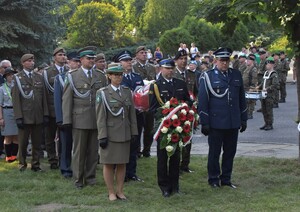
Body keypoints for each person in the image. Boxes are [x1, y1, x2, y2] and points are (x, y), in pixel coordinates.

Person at [198, 47, 247, 189]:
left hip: (232, 121)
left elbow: (241, 98)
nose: (224, 63)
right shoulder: (208, 76)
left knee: (230, 152)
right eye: (221, 61)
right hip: (216, 122)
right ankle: (213, 179)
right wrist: (205, 122)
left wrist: (243, 118)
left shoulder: (236, 75)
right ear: (215, 61)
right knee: (214, 152)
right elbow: (203, 101)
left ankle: (226, 179)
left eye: (227, 60)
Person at [62, 46, 107, 189]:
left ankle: (91, 177)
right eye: (89, 58)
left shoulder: (100, 76)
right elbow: (67, 99)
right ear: (81, 60)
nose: (92, 61)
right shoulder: (73, 76)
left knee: (93, 151)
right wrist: (67, 120)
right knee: (79, 152)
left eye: (93, 58)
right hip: (79, 119)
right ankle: (78, 179)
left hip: (96, 119)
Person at [149, 58, 191, 197]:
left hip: (178, 126)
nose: (170, 70)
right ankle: (164, 186)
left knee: (175, 156)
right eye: (167, 68)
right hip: (163, 126)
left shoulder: (180, 83)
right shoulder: (155, 85)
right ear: (160, 69)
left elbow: (187, 102)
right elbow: (152, 108)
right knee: (162, 158)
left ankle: (175, 185)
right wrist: (164, 117)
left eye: (172, 68)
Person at [96, 63, 138, 201]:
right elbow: (100, 116)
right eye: (115, 75)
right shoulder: (102, 92)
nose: (118, 77)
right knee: (108, 164)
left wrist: (134, 132)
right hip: (110, 134)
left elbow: (132, 114)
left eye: (120, 75)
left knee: (122, 163)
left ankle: (120, 191)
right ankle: (111, 192)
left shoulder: (127, 91)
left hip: (124, 133)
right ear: (109, 76)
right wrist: (102, 135)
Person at [12, 54, 49, 172]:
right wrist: (18, 116)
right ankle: (22, 164)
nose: (32, 63)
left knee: (36, 143)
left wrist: (45, 113)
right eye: (28, 61)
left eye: (32, 60)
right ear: (23, 63)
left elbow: (44, 97)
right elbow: (16, 99)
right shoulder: (17, 78)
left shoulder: (39, 77)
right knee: (22, 143)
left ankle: (36, 164)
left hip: (38, 115)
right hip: (25, 115)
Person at [113, 50, 144, 182]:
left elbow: (143, 94)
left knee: (134, 144)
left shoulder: (137, 77)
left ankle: (131, 172)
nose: (129, 62)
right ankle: (120, 172)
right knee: (121, 145)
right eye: (125, 61)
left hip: (137, 115)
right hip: (122, 116)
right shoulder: (117, 77)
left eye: (130, 60)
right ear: (119, 63)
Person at [43, 47, 69, 170]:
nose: (63, 57)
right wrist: (46, 113)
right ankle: (52, 160)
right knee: (50, 137)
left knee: (64, 138)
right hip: (52, 110)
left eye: (64, 54)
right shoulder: (47, 72)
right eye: (60, 55)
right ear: (54, 57)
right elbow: (44, 93)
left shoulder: (69, 71)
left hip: (66, 110)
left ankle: (63, 159)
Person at [54, 53, 79, 178]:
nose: (77, 63)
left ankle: (80, 168)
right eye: (74, 61)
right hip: (66, 117)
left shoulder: (83, 77)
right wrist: (60, 119)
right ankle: (66, 169)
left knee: (80, 145)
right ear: (68, 62)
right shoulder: (60, 78)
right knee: (66, 145)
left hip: (80, 116)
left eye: (79, 61)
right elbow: (58, 100)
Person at [132, 46, 156, 158]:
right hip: (138, 101)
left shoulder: (151, 67)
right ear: (136, 55)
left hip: (150, 101)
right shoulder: (133, 68)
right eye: (141, 53)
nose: (144, 54)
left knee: (149, 128)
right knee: (138, 128)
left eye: (145, 53)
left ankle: (147, 150)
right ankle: (137, 150)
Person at [173, 50, 194, 173]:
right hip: (176, 110)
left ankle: (185, 165)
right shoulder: (173, 74)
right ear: (176, 61)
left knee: (188, 136)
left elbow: (195, 90)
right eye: (181, 59)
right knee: (176, 136)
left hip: (189, 110)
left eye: (185, 58)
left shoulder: (191, 74)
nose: (184, 61)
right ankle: (176, 164)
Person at [0, 68, 18, 162]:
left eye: (13, 75)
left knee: (16, 135)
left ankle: (14, 156)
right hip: (7, 112)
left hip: (16, 111)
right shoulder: (2, 88)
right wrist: (1, 118)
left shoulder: (16, 86)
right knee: (8, 135)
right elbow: (0, 104)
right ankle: (8, 156)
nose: (12, 76)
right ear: (6, 77)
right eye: (10, 75)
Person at [257, 57, 279, 130]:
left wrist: (267, 89)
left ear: (272, 65)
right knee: (264, 110)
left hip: (269, 95)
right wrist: (258, 87)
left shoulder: (274, 74)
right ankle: (266, 123)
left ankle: (270, 124)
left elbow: (275, 85)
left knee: (269, 110)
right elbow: (263, 82)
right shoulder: (266, 73)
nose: (267, 65)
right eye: (266, 64)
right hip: (263, 94)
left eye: (268, 64)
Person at [0, 60, 12, 159]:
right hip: (4, 109)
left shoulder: (15, 83)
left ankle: (13, 154)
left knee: (14, 134)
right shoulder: (1, 85)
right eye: (4, 67)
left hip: (13, 110)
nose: (6, 69)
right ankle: (3, 152)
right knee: (5, 133)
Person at [242, 54, 258, 119]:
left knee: (251, 101)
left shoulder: (253, 69)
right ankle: (247, 113)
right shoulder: (247, 68)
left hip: (250, 87)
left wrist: (252, 87)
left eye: (249, 60)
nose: (247, 61)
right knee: (246, 101)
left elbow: (254, 79)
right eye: (247, 60)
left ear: (252, 61)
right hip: (245, 87)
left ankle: (250, 113)